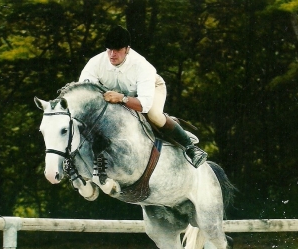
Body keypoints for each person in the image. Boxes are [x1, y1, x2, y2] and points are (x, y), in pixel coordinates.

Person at [79, 25, 207, 168]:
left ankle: (190, 147)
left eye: (118, 50)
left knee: (154, 115)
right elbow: (86, 92)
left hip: (152, 88)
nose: (112, 54)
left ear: (127, 49)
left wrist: (122, 98)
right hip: (117, 95)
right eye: (109, 49)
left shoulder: (142, 65)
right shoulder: (95, 62)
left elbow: (143, 105)